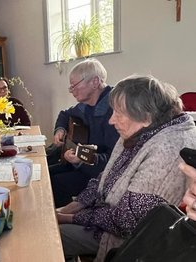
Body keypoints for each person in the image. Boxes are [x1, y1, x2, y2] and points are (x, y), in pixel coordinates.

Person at [56, 75, 196, 262]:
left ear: (146, 116)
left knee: (49, 236)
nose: (111, 120)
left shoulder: (166, 149)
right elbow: (104, 178)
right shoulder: (141, 129)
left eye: (119, 113)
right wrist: (70, 207)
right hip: (104, 216)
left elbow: (126, 222)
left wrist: (68, 218)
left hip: (125, 239)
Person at [49, 58, 119, 207]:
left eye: (74, 86)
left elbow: (114, 160)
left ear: (94, 82)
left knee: (56, 183)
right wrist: (60, 129)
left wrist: (81, 159)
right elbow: (64, 114)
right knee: (46, 173)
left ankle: (60, 223)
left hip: (100, 175)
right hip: (83, 162)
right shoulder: (85, 105)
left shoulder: (115, 112)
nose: (71, 91)